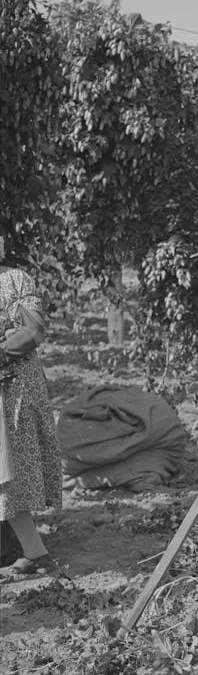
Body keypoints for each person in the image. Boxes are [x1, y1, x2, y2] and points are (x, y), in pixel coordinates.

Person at [0, 236, 63, 579]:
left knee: (9, 470)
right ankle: (34, 551)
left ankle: (35, 552)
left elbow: (35, 329)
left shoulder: (14, 279)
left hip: (14, 385)